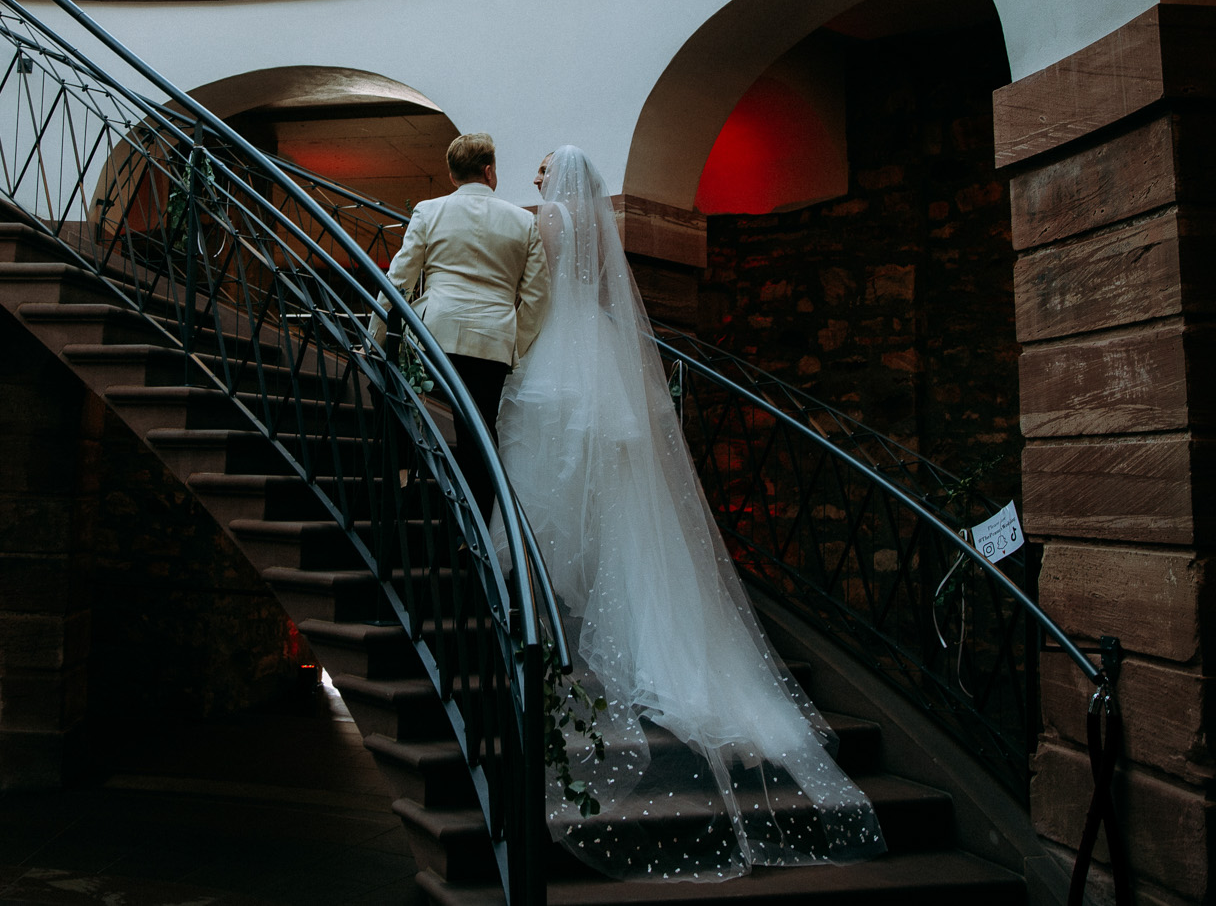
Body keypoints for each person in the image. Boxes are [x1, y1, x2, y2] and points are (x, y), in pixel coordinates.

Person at [497, 145, 886, 881]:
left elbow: (539, 293)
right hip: (603, 354)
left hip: (557, 351)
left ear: (557, 176)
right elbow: (612, 297)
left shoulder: (546, 218)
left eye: (545, 164)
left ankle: (552, 604)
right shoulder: (601, 221)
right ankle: (613, 613)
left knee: (553, 481)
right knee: (620, 504)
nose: (539, 171)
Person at [375, 132, 548, 521]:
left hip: (437, 336)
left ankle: (399, 490)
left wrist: (377, 335)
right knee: (480, 436)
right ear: (489, 171)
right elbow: (537, 297)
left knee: (395, 396)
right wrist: (513, 343)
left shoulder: (428, 211)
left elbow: (400, 279)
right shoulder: (523, 222)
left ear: (452, 176)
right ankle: (476, 534)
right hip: (493, 342)